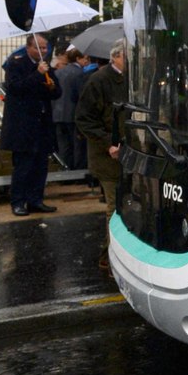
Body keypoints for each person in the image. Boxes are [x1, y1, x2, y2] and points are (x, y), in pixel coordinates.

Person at [76, 39, 128, 268]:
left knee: (126, 206)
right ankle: (110, 257)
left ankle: (116, 254)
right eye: (128, 55)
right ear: (116, 56)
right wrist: (109, 144)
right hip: (108, 156)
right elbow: (84, 119)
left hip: (128, 153)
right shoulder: (98, 80)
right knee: (114, 207)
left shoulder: (131, 79)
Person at [1, 34, 62, 217]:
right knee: (23, 166)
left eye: (45, 47)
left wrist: (52, 86)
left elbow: (57, 92)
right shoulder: (16, 64)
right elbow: (15, 88)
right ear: (28, 48)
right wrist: (37, 74)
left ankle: (36, 200)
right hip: (23, 125)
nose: (43, 51)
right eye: (38, 48)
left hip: (42, 124)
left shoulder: (45, 66)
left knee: (40, 165)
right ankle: (18, 202)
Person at [52, 46, 85, 169]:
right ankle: (76, 171)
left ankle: (64, 168)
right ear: (78, 58)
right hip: (72, 114)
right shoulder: (79, 74)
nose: (86, 61)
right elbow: (80, 96)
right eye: (85, 58)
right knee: (76, 145)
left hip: (57, 114)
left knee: (63, 144)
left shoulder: (57, 73)